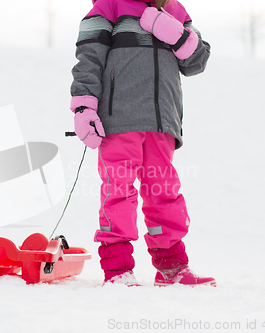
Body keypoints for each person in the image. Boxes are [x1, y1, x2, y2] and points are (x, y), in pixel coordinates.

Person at [70, 0, 216, 286]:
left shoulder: (174, 9)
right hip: (119, 119)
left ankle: (172, 267)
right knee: (118, 191)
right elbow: (89, 58)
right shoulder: (109, 6)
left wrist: (175, 33)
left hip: (162, 121)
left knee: (164, 192)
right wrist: (84, 107)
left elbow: (197, 61)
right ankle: (118, 269)